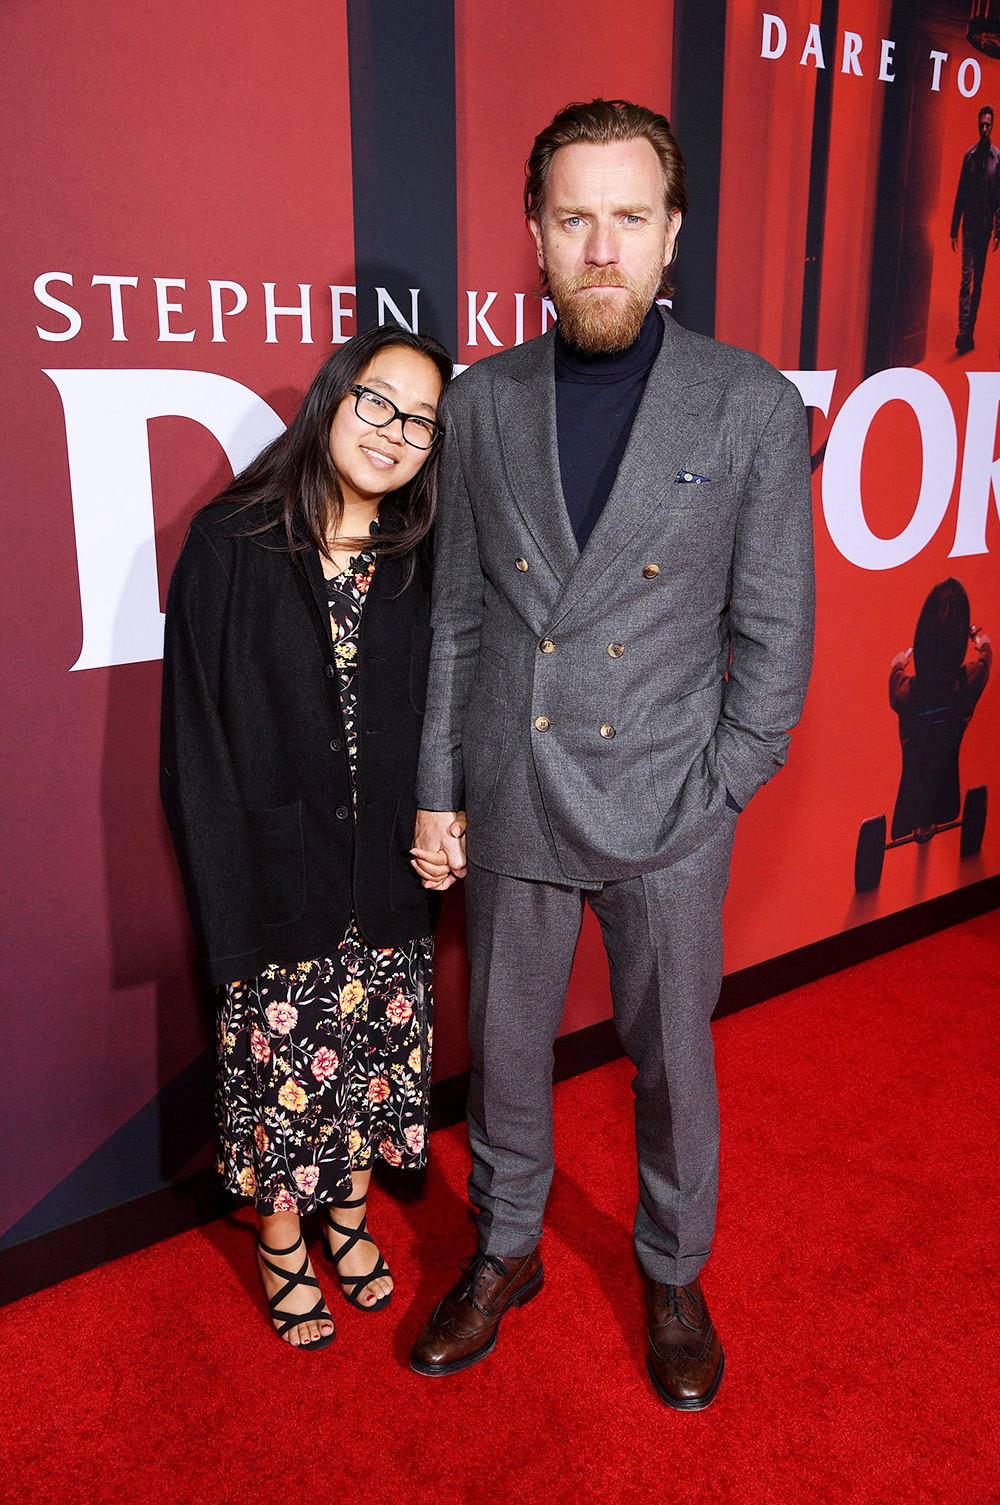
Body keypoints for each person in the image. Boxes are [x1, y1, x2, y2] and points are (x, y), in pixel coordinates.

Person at [408, 99, 814, 1409]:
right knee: (508, 1048)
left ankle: (673, 1267)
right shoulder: (481, 402)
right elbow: (460, 617)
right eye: (573, 216)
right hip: (515, 786)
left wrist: (715, 795)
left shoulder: (744, 403)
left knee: (671, 1060)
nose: (601, 246)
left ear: (669, 234)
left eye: (628, 218)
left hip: (669, 806)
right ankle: (506, 1250)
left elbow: (776, 634)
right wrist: (439, 787)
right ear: (533, 235)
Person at [161, 325, 459, 1350]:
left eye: (421, 420)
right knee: (285, 1074)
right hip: (273, 877)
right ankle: (283, 1242)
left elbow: (440, 715)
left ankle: (350, 1216)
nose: (395, 431)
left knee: (371, 1060)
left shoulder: (417, 560)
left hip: (382, 873)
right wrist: (227, 911)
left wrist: (446, 809)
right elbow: (195, 743)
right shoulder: (230, 540)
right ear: (334, 396)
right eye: (379, 401)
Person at [889, 578, 991, 839]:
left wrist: (898, 665)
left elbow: (896, 680)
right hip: (947, 796)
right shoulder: (968, 682)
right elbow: (985, 661)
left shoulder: (905, 693)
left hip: (909, 801)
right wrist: (981, 641)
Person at [950, 104, 1000, 355]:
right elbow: (960, 192)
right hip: (969, 227)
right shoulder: (969, 156)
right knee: (966, 280)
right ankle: (963, 331)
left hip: (984, 228)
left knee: (978, 283)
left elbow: (999, 199)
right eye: (981, 124)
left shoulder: (997, 158)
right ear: (977, 124)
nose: (984, 128)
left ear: (992, 126)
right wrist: (953, 228)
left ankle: (969, 330)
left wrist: (997, 231)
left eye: (988, 125)